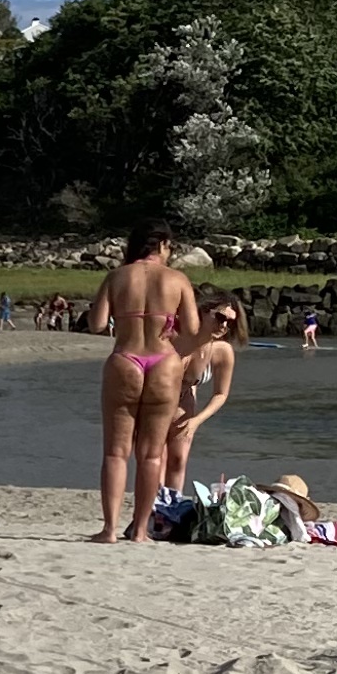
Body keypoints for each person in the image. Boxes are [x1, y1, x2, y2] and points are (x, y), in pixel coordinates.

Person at [84, 224, 200, 541]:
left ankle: (109, 529)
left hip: (126, 358)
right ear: (161, 244)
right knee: (151, 455)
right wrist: (170, 324)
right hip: (164, 363)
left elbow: (96, 324)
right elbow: (192, 329)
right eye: (170, 247)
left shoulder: (116, 276)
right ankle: (139, 530)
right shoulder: (177, 279)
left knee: (115, 452)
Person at [163, 298, 247, 493]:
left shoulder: (222, 351)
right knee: (157, 458)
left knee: (178, 461)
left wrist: (196, 421)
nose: (224, 326)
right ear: (202, 312)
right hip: (157, 400)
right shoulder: (176, 338)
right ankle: (154, 503)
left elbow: (221, 394)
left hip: (184, 402)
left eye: (230, 322)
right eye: (220, 318)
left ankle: (173, 502)